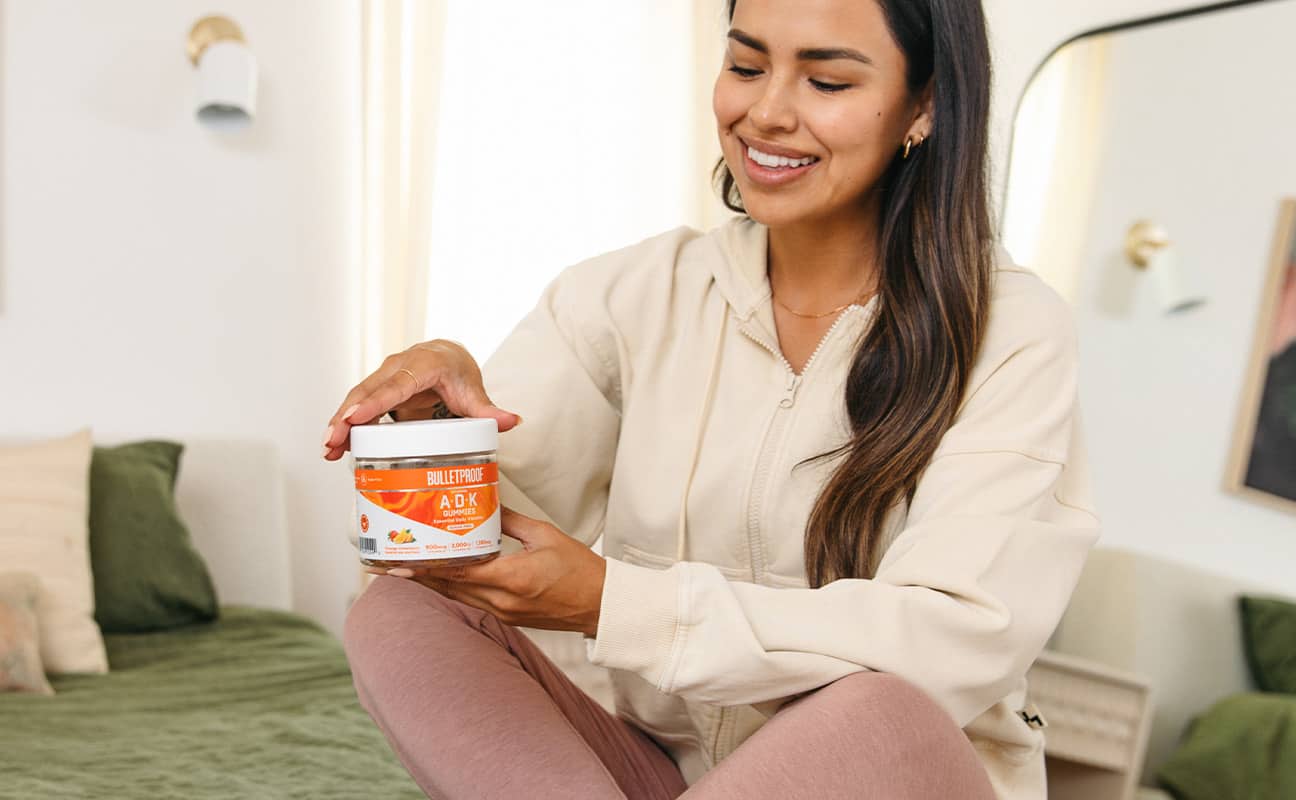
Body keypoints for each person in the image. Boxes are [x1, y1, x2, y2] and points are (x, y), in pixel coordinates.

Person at [324, 0, 1099, 796]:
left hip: (886, 776)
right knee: (400, 614)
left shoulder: (1010, 330)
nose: (765, 112)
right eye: (746, 65)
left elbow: (951, 642)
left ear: (926, 104)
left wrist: (617, 604)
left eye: (826, 80)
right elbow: (486, 538)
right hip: (676, 776)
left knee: (874, 705)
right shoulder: (631, 294)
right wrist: (436, 430)